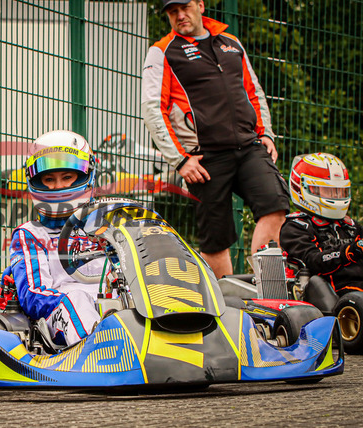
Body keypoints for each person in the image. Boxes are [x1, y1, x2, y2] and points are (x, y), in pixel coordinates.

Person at [141, 0, 289, 279]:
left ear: (200, 5)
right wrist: (180, 160)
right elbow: (152, 108)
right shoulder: (162, 51)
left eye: (185, 7)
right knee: (215, 238)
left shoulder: (231, 43)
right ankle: (226, 300)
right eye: (172, 12)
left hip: (249, 146)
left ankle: (266, 289)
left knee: (275, 205)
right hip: (203, 158)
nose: (180, 15)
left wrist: (265, 133)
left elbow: (253, 91)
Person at [8, 130, 104, 347]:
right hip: (61, 309)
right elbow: (33, 294)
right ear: (36, 181)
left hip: (113, 306)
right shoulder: (30, 234)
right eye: (49, 179)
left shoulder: (106, 226)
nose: (58, 186)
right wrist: (69, 298)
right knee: (78, 299)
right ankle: (98, 352)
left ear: (87, 175)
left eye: (67, 177)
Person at [280, 153, 363, 295]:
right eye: (329, 191)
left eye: (339, 191)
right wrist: (349, 251)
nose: (335, 196)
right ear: (304, 188)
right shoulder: (296, 227)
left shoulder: (351, 226)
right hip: (329, 294)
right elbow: (313, 261)